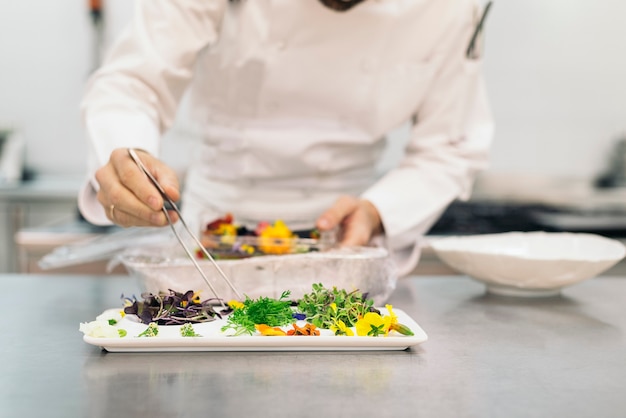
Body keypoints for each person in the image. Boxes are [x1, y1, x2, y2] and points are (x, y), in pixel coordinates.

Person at [78, 0, 494, 276]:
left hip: (347, 248)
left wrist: (378, 212)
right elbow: (132, 84)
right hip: (210, 238)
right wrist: (126, 154)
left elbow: (450, 147)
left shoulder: (451, 8)